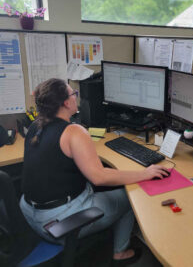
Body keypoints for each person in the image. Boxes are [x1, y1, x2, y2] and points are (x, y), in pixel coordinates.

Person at [20, 78, 168, 264]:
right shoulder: (74, 132)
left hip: (29, 215)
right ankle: (120, 253)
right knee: (130, 197)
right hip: (58, 224)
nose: (76, 97)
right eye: (74, 94)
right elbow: (99, 177)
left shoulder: (35, 126)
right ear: (66, 102)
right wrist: (145, 173)